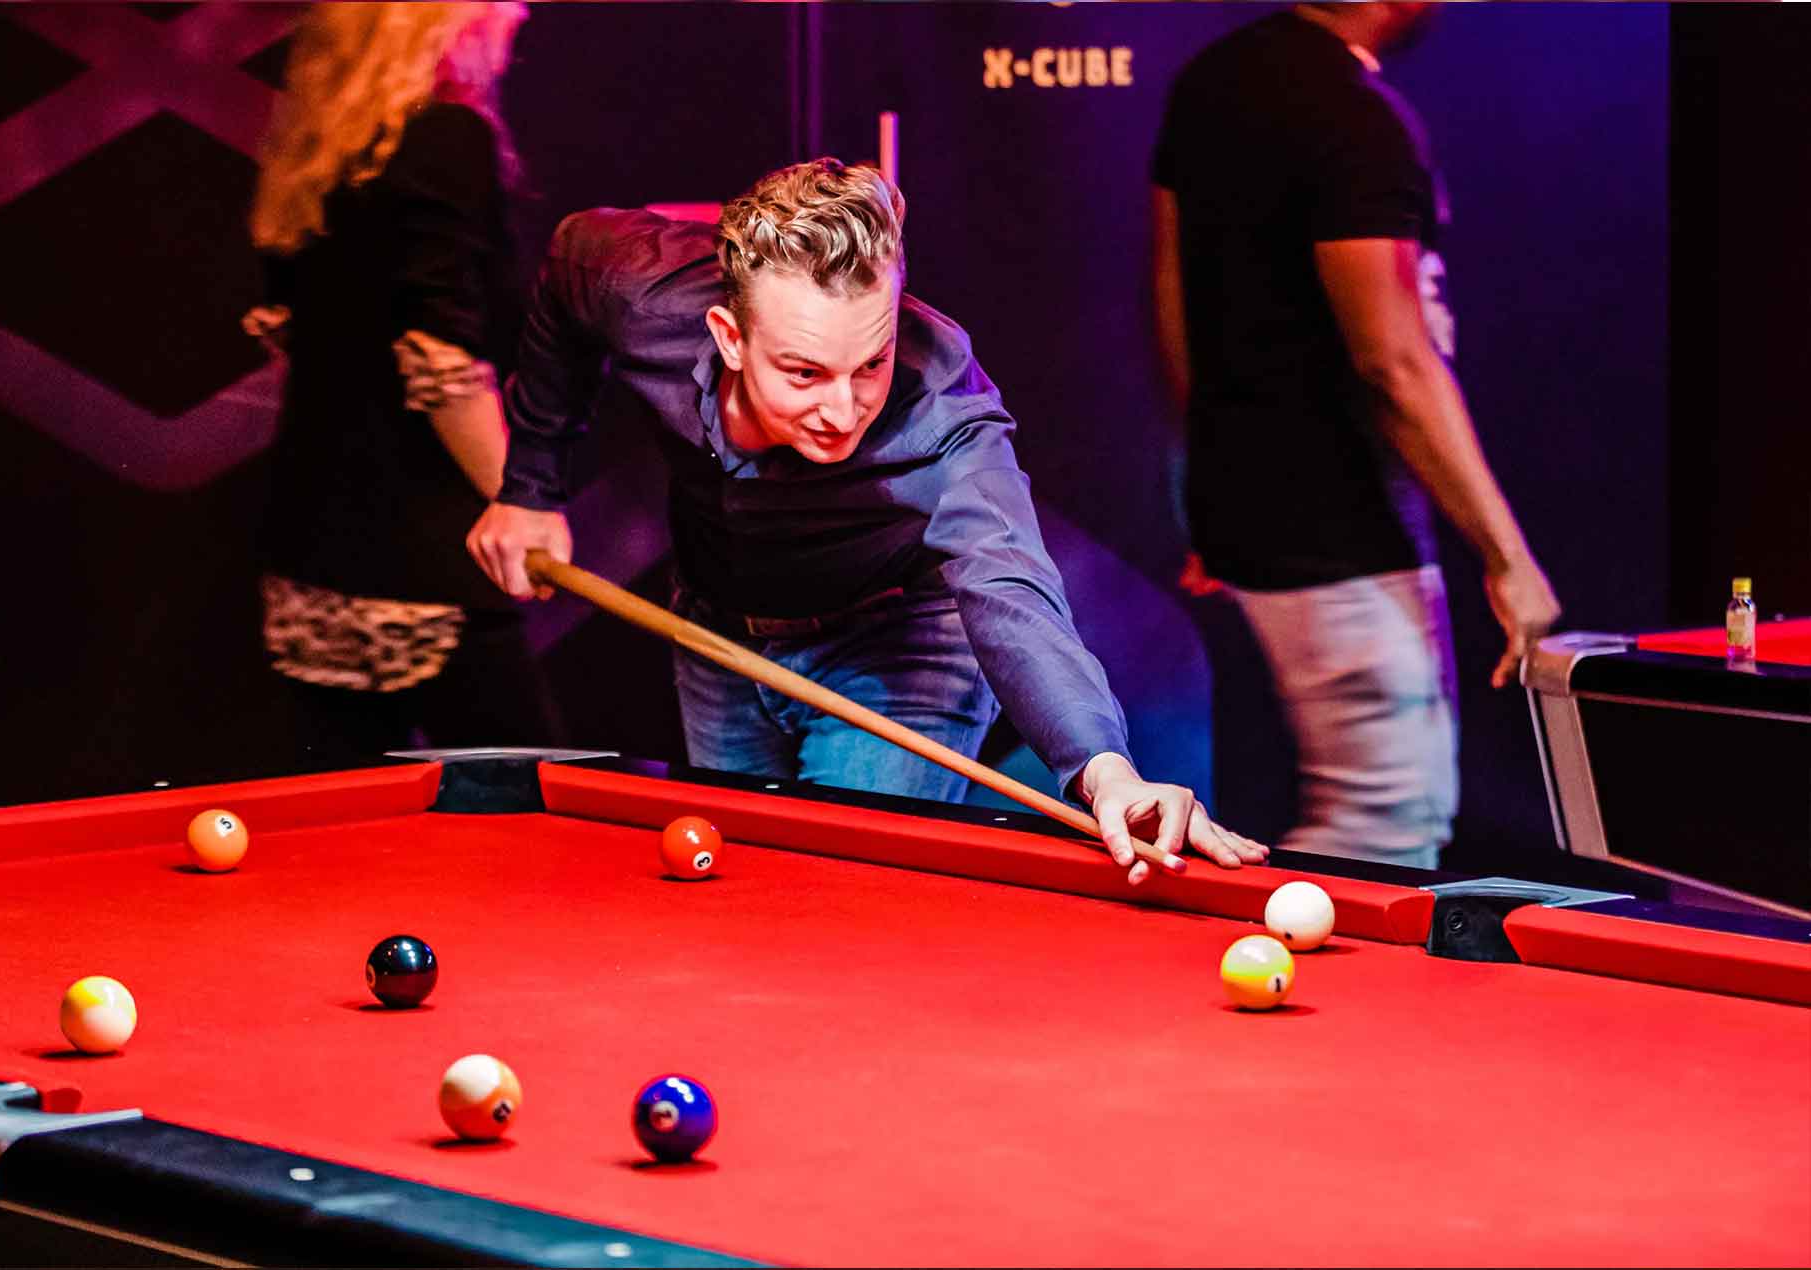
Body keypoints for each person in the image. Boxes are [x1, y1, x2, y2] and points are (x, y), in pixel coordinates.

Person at [468, 159, 1267, 877]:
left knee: (834, 896)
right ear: (731, 337)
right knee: (738, 890)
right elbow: (569, 263)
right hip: (719, 640)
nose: (844, 408)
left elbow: (1011, 588)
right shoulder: (637, 291)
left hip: (899, 649)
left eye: (871, 364)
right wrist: (529, 486)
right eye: (805, 372)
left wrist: (1103, 767)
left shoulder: (942, 406)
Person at [1149, 3, 1561, 869]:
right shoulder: (1354, 117)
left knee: (1376, 818)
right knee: (1386, 824)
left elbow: (1173, 296)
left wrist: (1207, 487)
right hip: (1337, 527)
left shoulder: (1214, 79)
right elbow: (1395, 362)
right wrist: (1508, 559)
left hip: (1257, 514)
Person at [243, 1, 560, 764]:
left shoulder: (327, 152)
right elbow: (437, 357)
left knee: (345, 821)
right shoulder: (446, 136)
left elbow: (291, 334)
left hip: (314, 554)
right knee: (530, 800)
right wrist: (523, 501)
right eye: (499, 12)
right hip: (429, 556)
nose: (511, 25)